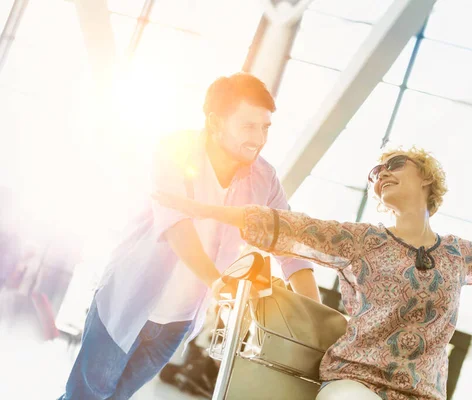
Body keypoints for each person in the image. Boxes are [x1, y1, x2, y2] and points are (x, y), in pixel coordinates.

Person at [153, 146, 472, 400]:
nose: (380, 175)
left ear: (426, 178)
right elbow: (280, 226)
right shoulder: (361, 241)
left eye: (393, 166)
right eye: (374, 173)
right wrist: (198, 208)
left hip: (422, 394)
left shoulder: (459, 256)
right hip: (355, 383)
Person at [59, 73, 320, 400]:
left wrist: (314, 320)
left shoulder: (265, 178)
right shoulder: (175, 149)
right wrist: (218, 282)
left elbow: (289, 243)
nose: (259, 138)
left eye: (265, 127)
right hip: (125, 301)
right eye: (248, 126)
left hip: (177, 323)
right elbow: (176, 226)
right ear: (215, 122)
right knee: (85, 396)